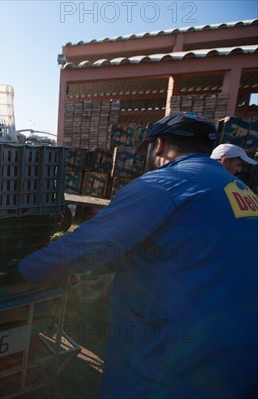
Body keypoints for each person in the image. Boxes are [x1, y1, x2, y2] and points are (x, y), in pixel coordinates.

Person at [18, 112, 258, 399]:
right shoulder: (241, 191)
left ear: (158, 145)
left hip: (177, 357)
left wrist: (23, 270)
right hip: (241, 353)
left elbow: (89, 244)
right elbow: (200, 247)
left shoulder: (166, 182)